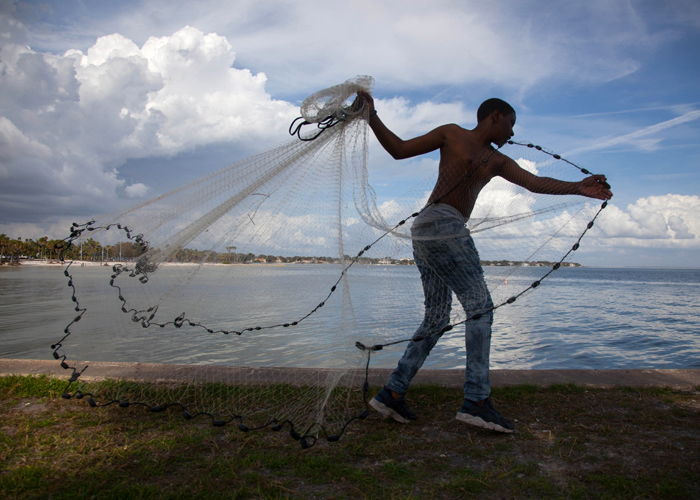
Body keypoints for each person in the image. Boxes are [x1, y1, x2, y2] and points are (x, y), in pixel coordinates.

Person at [356, 91, 612, 433]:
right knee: (480, 308)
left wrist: (578, 187)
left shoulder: (497, 160)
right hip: (445, 226)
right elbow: (399, 150)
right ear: (494, 116)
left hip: (424, 229)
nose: (512, 133)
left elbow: (535, 183)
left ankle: (392, 393)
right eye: (511, 124)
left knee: (436, 316)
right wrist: (371, 116)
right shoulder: (452, 133)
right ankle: (476, 401)